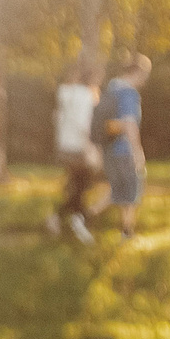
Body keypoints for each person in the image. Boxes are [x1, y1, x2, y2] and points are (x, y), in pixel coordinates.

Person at [94, 53, 152, 237]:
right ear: (139, 71)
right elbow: (129, 124)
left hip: (110, 148)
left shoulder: (112, 89)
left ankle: (124, 230)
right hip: (124, 149)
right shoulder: (128, 93)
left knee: (119, 189)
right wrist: (137, 151)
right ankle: (85, 217)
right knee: (131, 190)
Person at [47, 62, 101, 243]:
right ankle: (77, 221)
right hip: (79, 147)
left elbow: (57, 118)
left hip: (64, 146)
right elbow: (83, 123)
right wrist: (89, 147)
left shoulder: (66, 94)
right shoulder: (85, 96)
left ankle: (62, 218)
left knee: (77, 185)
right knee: (82, 185)